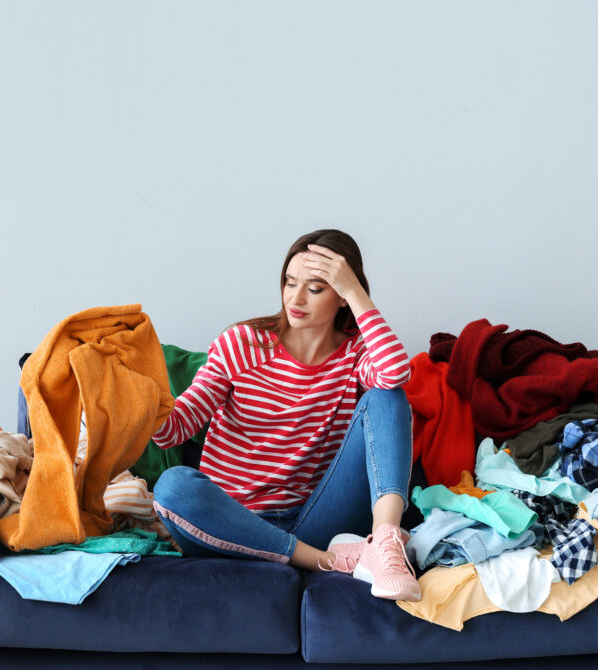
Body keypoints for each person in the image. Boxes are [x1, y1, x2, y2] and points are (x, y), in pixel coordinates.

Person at [151, 229, 419, 601]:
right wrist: (140, 406)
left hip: (314, 518)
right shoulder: (241, 344)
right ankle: (324, 561)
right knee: (172, 486)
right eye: (290, 283)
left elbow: (394, 374)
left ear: (341, 297)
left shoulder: (355, 355)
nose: (295, 298)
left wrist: (354, 290)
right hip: (232, 524)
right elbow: (176, 429)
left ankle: (384, 548)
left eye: (315, 288)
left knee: (388, 398)